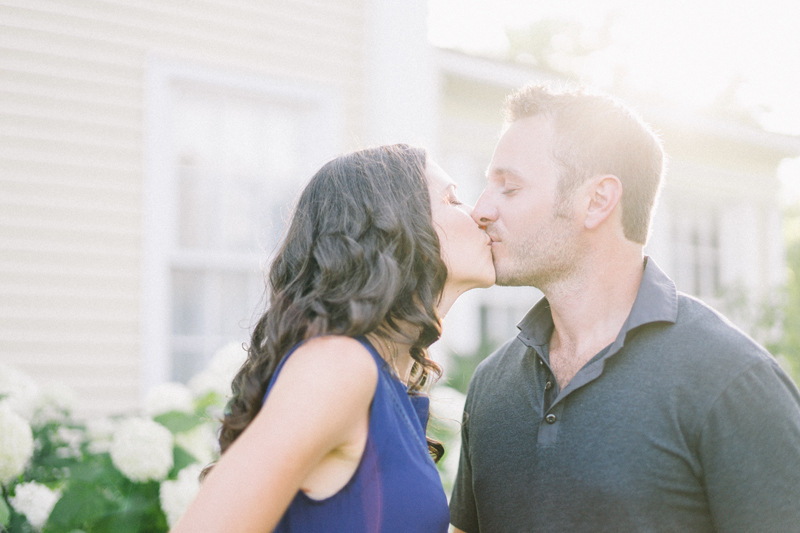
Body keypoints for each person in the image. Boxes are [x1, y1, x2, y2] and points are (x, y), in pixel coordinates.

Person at [449, 84, 800, 532]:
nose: (481, 209)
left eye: (509, 188)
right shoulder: (490, 385)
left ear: (596, 201)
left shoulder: (732, 382)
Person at [172, 144, 494, 533]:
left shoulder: (390, 385)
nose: (477, 213)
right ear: (393, 229)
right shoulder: (339, 365)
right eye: (452, 199)